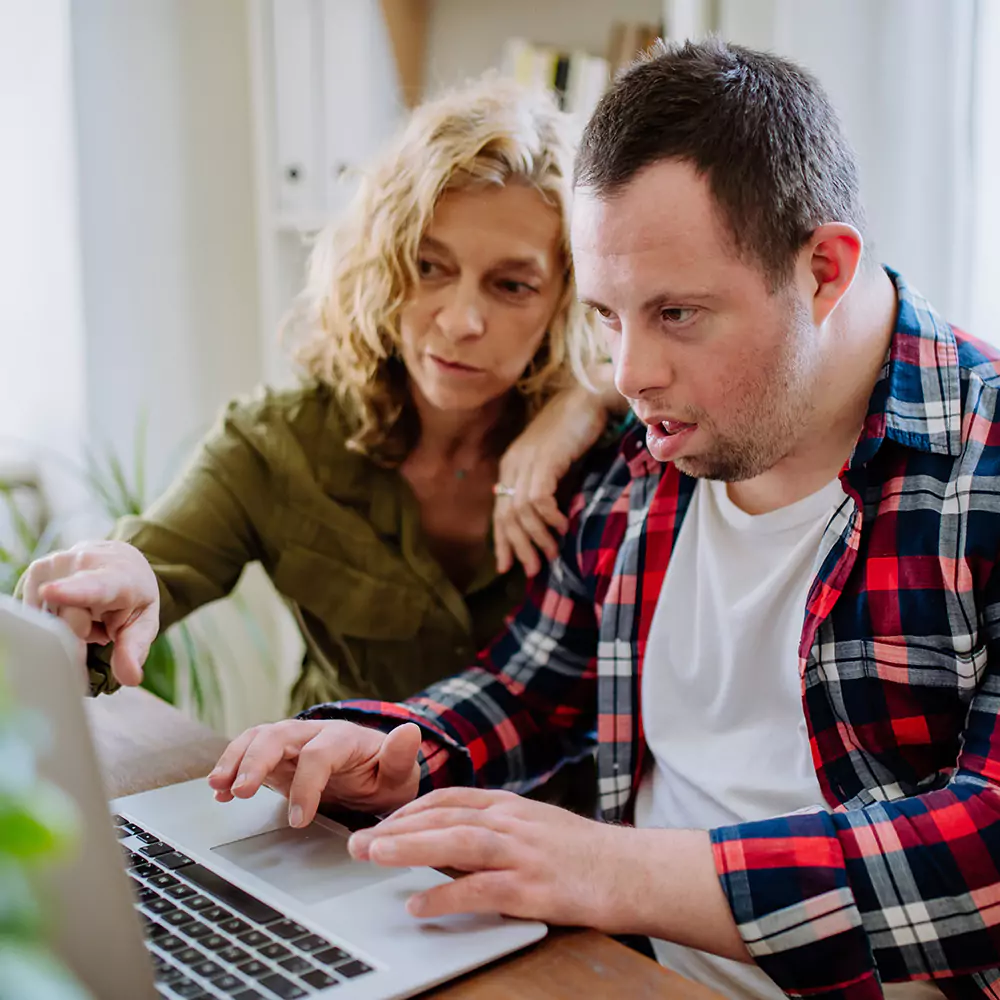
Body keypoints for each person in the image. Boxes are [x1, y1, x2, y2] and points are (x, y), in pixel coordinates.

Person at [207, 39, 1000, 1000]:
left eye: (676, 313)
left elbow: (986, 844)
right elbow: (535, 687)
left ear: (825, 271)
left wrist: (617, 870)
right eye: (608, 316)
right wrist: (390, 746)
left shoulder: (977, 465)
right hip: (613, 968)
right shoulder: (657, 447)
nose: (629, 376)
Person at [17, 77, 617, 713]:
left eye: (512, 285)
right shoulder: (280, 447)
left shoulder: (606, 453)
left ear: (567, 299)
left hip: (544, 809)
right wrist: (116, 582)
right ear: (383, 263)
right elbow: (149, 564)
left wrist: (585, 401)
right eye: (429, 265)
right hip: (329, 806)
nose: (461, 320)